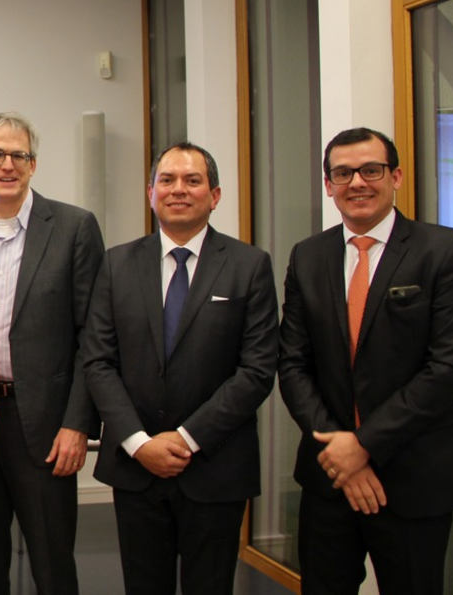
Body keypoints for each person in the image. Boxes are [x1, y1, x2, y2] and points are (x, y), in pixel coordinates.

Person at [79, 142, 279, 595]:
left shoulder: (249, 266)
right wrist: (138, 442)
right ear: (150, 192)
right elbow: (98, 360)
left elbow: (256, 370)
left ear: (215, 195)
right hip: (136, 467)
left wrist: (186, 439)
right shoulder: (117, 263)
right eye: (167, 180)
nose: (178, 190)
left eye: (192, 180)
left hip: (216, 466)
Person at [278, 127, 453, 594]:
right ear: (328, 185)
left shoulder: (444, 251)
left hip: (413, 479)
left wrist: (364, 446)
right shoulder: (307, 257)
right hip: (328, 478)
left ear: (395, 176)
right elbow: (293, 365)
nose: (357, 182)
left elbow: (447, 368)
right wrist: (341, 451)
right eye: (343, 173)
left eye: (371, 170)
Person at [0, 111, 105, 594]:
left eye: (19, 155)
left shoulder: (74, 227)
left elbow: (94, 336)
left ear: (33, 164)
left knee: (53, 566)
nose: (7, 165)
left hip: (45, 425)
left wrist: (78, 424)